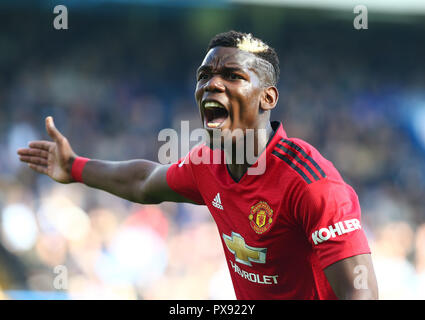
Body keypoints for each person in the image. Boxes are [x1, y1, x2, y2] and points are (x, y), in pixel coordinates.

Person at [17, 30, 378, 300]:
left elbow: (361, 294)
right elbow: (144, 182)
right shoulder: (209, 164)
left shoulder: (313, 186)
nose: (212, 84)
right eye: (204, 76)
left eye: (233, 76)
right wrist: (75, 167)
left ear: (268, 97)